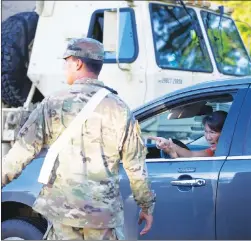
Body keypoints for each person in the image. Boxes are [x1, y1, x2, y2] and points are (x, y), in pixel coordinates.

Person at [1, 38, 156, 240]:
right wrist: (146, 206)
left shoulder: (53, 104)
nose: (65, 66)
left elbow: (21, 152)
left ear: (78, 63)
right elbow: (136, 165)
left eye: (67, 61)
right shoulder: (119, 108)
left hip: (63, 213)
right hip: (103, 217)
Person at [149, 111, 227, 158]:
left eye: (212, 132)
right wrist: (170, 145)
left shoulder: (229, 151)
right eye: (206, 131)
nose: (208, 137)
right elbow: (191, 154)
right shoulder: (213, 150)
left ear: (225, 131)